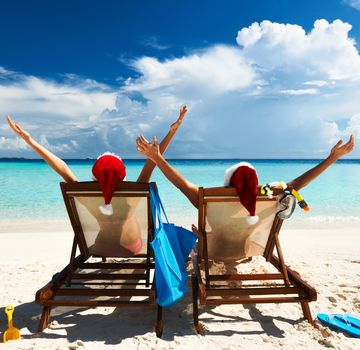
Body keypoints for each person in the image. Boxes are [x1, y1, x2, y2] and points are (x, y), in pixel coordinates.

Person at [6, 106, 188, 255]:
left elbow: (62, 167)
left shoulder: (86, 196)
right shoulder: (133, 194)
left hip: (102, 248)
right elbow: (153, 161)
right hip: (133, 249)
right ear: (123, 177)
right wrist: (173, 131)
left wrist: (30, 141)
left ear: (94, 177)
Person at [136, 134, 355, 210]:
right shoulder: (264, 192)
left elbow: (181, 183)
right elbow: (297, 184)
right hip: (250, 247)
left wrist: (157, 158)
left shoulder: (207, 198)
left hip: (218, 248)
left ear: (228, 180)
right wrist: (332, 159)